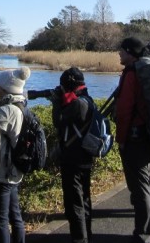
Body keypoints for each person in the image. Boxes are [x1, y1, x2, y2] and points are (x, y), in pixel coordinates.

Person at [117, 37, 150, 243]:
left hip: (136, 136)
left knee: (140, 187)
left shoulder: (132, 74)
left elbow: (125, 109)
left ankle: (142, 235)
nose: (119, 54)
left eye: (122, 51)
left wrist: (121, 139)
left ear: (130, 52)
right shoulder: (149, 70)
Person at [0, 67, 31, 243]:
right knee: (16, 217)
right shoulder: (21, 103)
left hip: (3, 173)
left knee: (0, 221)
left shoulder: (9, 111)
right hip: (14, 171)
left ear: (5, 87)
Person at [50, 66, 94, 243]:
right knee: (84, 199)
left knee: (74, 202)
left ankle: (79, 238)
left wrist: (55, 102)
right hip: (84, 155)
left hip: (73, 158)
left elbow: (58, 121)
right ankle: (86, 235)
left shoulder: (78, 103)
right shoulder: (87, 99)